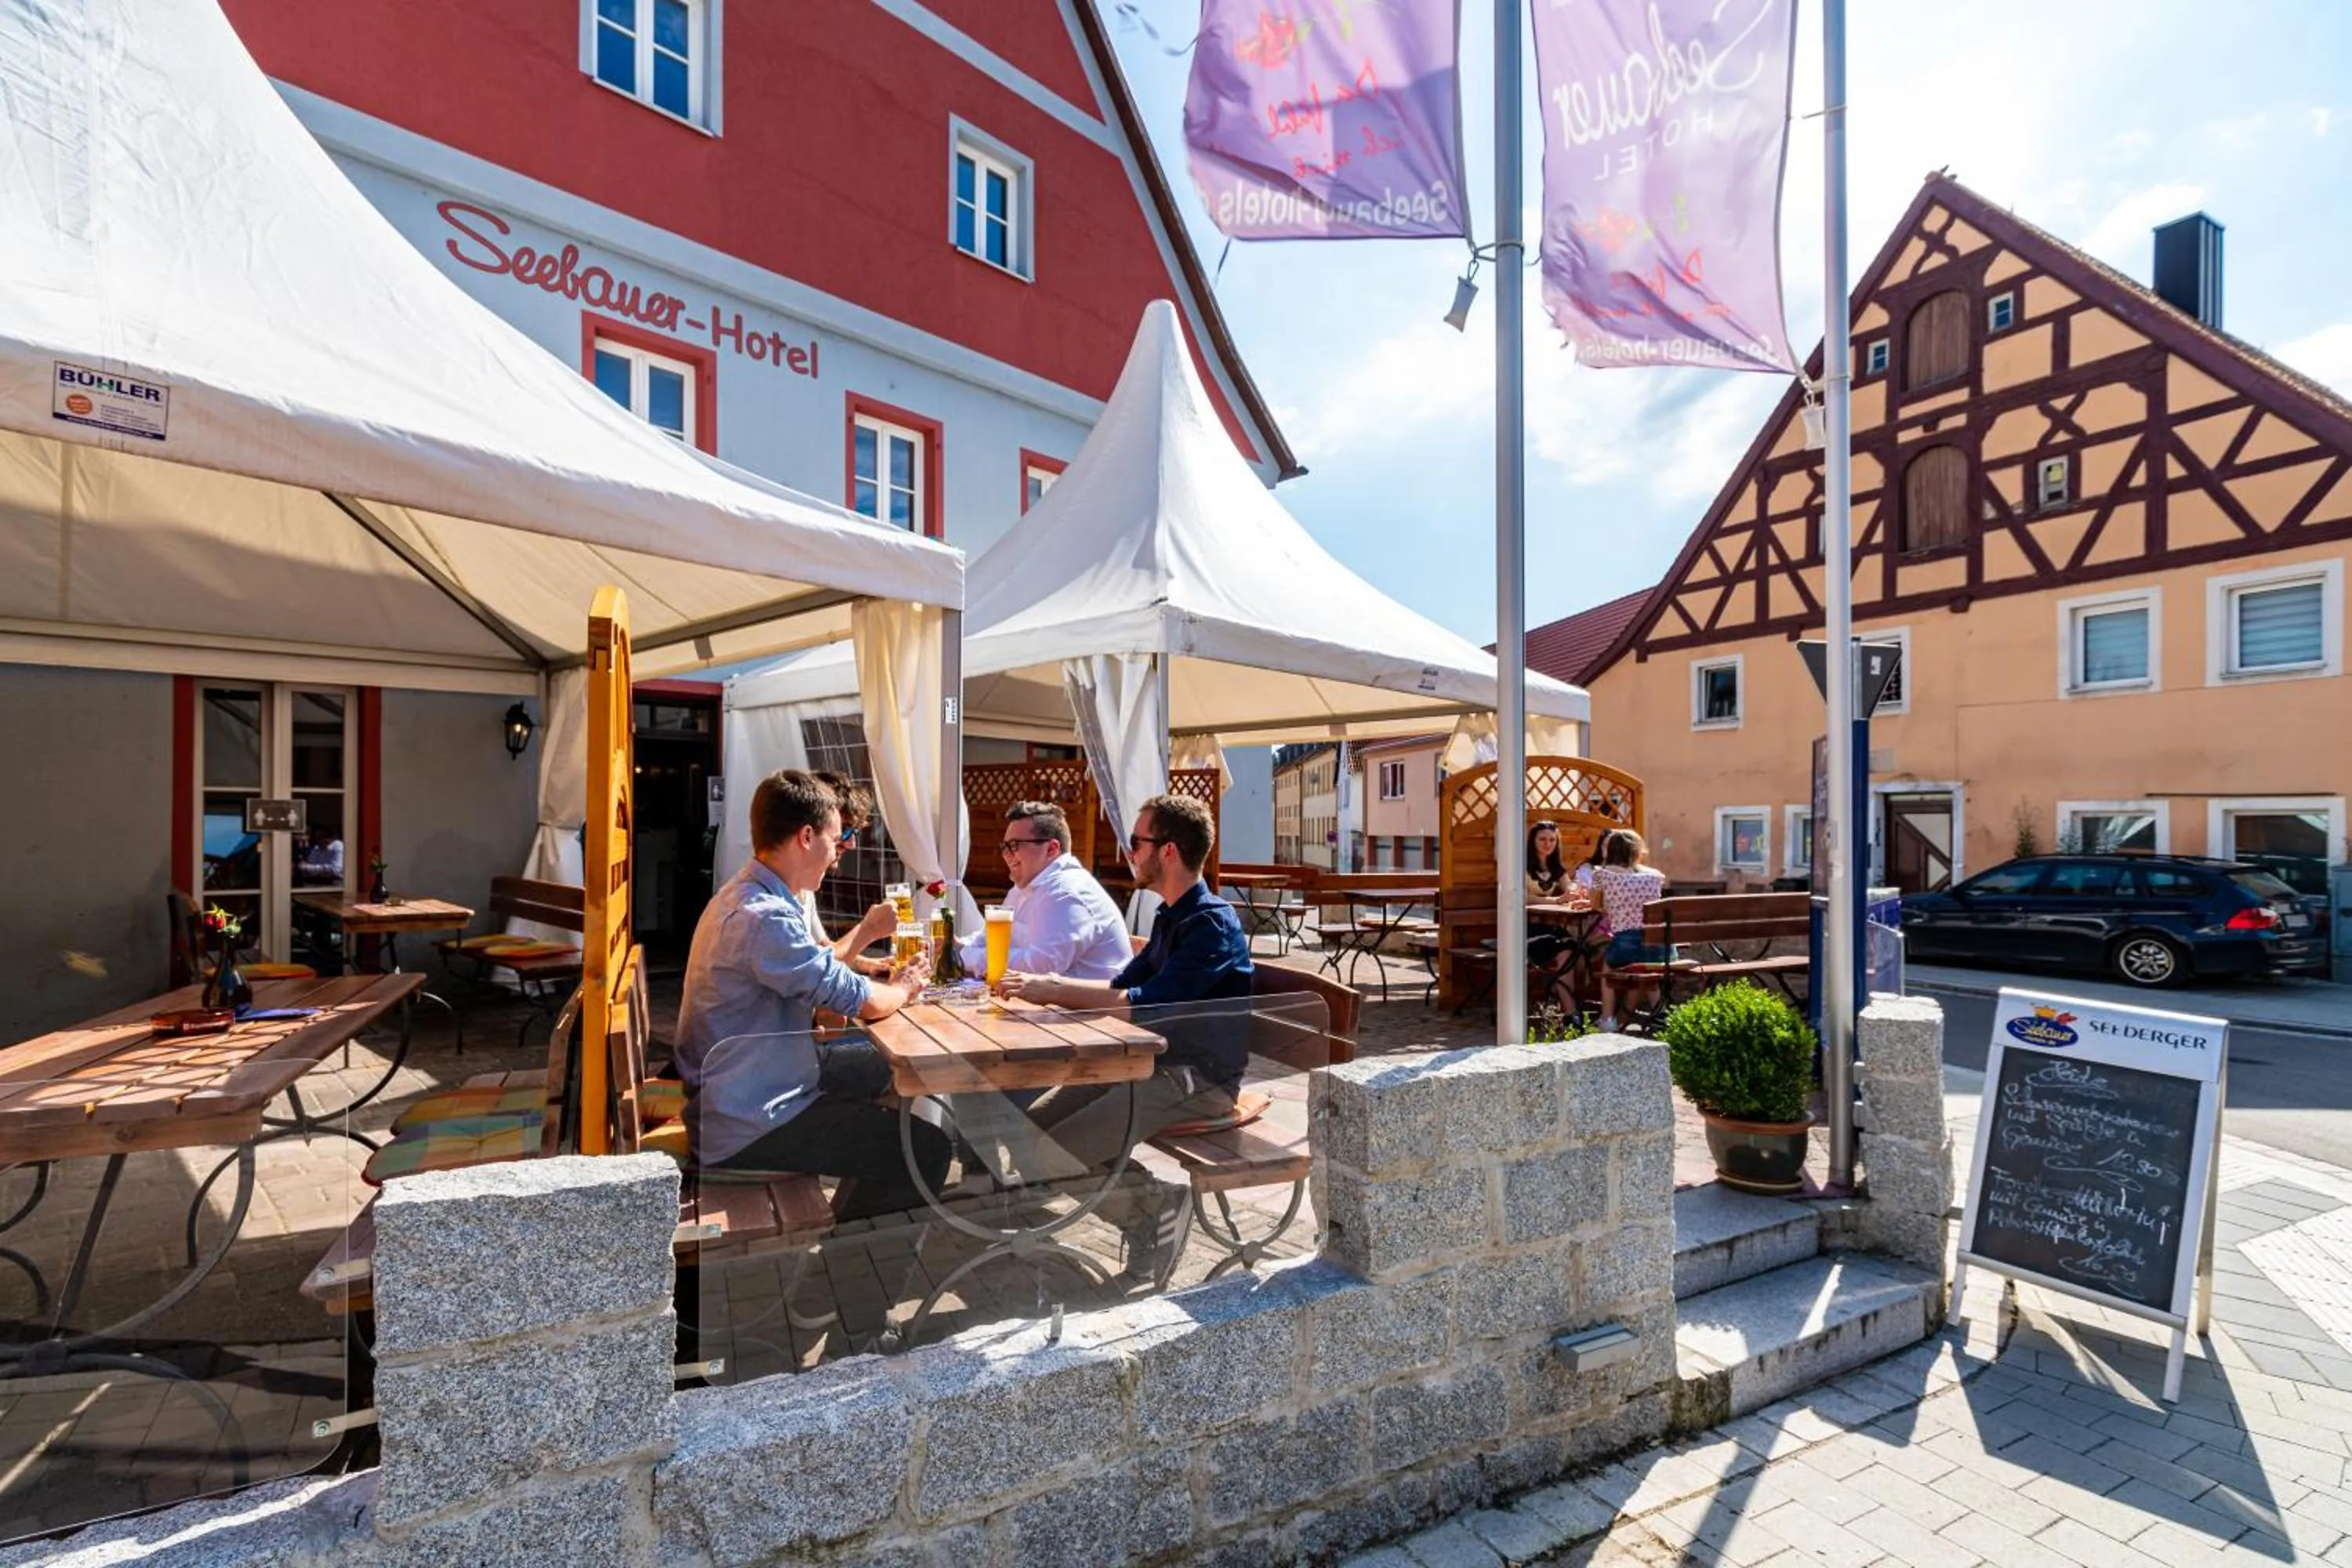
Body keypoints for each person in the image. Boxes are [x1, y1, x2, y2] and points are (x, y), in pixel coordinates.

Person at [673, 769, 950, 1221]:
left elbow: (828, 994)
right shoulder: (764, 917)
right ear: (806, 836)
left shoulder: (751, 896)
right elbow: (862, 1001)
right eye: (836, 839)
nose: (838, 853)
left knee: (892, 1070)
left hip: (748, 1085)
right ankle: (854, 1265)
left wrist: (882, 984)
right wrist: (905, 984)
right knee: (927, 1149)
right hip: (748, 1120)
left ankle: (861, 1218)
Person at [999, 793, 1253, 1276]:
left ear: (1169, 851)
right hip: (1143, 1066)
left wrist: (1049, 987)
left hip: (1196, 1084)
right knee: (1031, 1132)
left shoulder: (1210, 925)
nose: (1128, 853)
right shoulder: (1171, 915)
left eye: (1136, 843)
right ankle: (1153, 1206)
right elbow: (1120, 986)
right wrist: (1046, 991)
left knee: (1052, 1154)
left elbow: (1146, 1007)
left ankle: (1154, 1210)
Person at [959, 800, 1131, 982]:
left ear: (1051, 849)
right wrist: (957, 946)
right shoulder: (1024, 888)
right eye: (1005, 846)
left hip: (1088, 1009)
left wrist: (965, 957)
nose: (1006, 854)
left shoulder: (1066, 892)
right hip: (1046, 1004)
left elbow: (1041, 968)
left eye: (1015, 845)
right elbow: (988, 939)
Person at [808, 769, 897, 976]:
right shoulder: (775, 895)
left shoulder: (804, 885)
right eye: (844, 830)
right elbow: (813, 971)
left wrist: (870, 965)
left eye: (853, 832)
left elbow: (823, 948)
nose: (851, 844)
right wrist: (869, 929)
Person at [1595, 829, 1671, 1029]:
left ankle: (1608, 1020)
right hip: (1661, 947)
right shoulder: (1655, 875)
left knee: (1607, 968)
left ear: (1611, 850)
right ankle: (1660, 1016)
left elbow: (1595, 905)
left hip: (1627, 945)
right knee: (1648, 970)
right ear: (1637, 850)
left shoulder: (1602, 874)